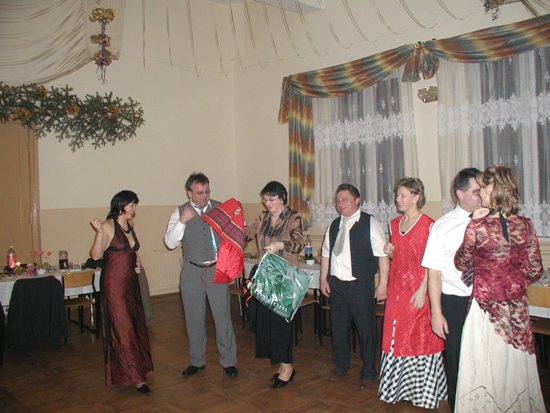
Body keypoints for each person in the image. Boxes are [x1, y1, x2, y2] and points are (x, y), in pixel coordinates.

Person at [454, 165, 545, 412]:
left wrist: (473, 223)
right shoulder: (526, 225)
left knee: (484, 366)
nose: (480, 193)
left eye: (482, 187)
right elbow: (536, 269)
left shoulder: (477, 226)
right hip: (516, 309)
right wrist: (512, 283)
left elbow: (461, 263)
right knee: (512, 367)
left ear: (492, 188)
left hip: (484, 309)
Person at [378, 177, 448, 409]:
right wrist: (390, 251)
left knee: (418, 338)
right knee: (395, 337)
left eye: (403, 195)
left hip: (419, 288)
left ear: (416, 197)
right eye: (397, 195)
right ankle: (398, 388)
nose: (398, 199)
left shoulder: (428, 225)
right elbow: (398, 257)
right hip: (397, 288)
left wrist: (422, 289)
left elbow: (433, 263)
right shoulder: (394, 224)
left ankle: (422, 392)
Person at [164, 172, 238, 378]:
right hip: (191, 271)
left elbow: (232, 238)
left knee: (222, 317)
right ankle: (196, 361)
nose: (204, 196)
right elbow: (169, 243)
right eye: (199, 193)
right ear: (189, 193)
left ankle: (229, 361)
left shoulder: (221, 208)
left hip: (216, 269)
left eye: (207, 192)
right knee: (193, 318)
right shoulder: (179, 211)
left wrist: (230, 268)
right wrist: (183, 221)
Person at [319, 183, 390, 389]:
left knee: (366, 329)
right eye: (338, 200)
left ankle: (368, 371)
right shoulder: (334, 225)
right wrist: (323, 278)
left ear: (357, 201)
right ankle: (341, 365)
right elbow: (326, 254)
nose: (340, 204)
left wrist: (383, 284)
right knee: (338, 328)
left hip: (360, 285)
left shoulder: (370, 223)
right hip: (337, 286)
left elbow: (382, 255)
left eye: (345, 200)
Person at [421, 167, 480, 412]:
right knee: (456, 358)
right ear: (460, 193)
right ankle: (459, 406)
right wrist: (436, 313)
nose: (481, 196)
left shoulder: (491, 222)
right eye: (476, 191)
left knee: (483, 358)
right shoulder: (442, 226)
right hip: (455, 301)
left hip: (484, 301)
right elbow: (433, 272)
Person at [90, 190, 153, 394]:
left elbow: (133, 250)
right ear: (121, 205)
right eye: (131, 204)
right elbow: (96, 255)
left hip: (130, 282)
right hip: (114, 284)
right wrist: (99, 232)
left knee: (134, 324)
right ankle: (133, 376)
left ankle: (138, 368)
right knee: (122, 326)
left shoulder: (129, 225)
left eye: (135, 204)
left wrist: (138, 263)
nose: (134, 208)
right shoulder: (108, 226)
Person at [245, 181, 304, 389]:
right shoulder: (262, 217)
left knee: (282, 326)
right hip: (266, 277)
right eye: (265, 199)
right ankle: (281, 364)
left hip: (285, 278)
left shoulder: (293, 217)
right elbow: (246, 233)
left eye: (272, 199)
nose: (267, 203)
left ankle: (287, 367)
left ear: (283, 198)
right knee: (268, 324)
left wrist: (280, 245)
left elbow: (299, 244)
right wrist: (232, 232)